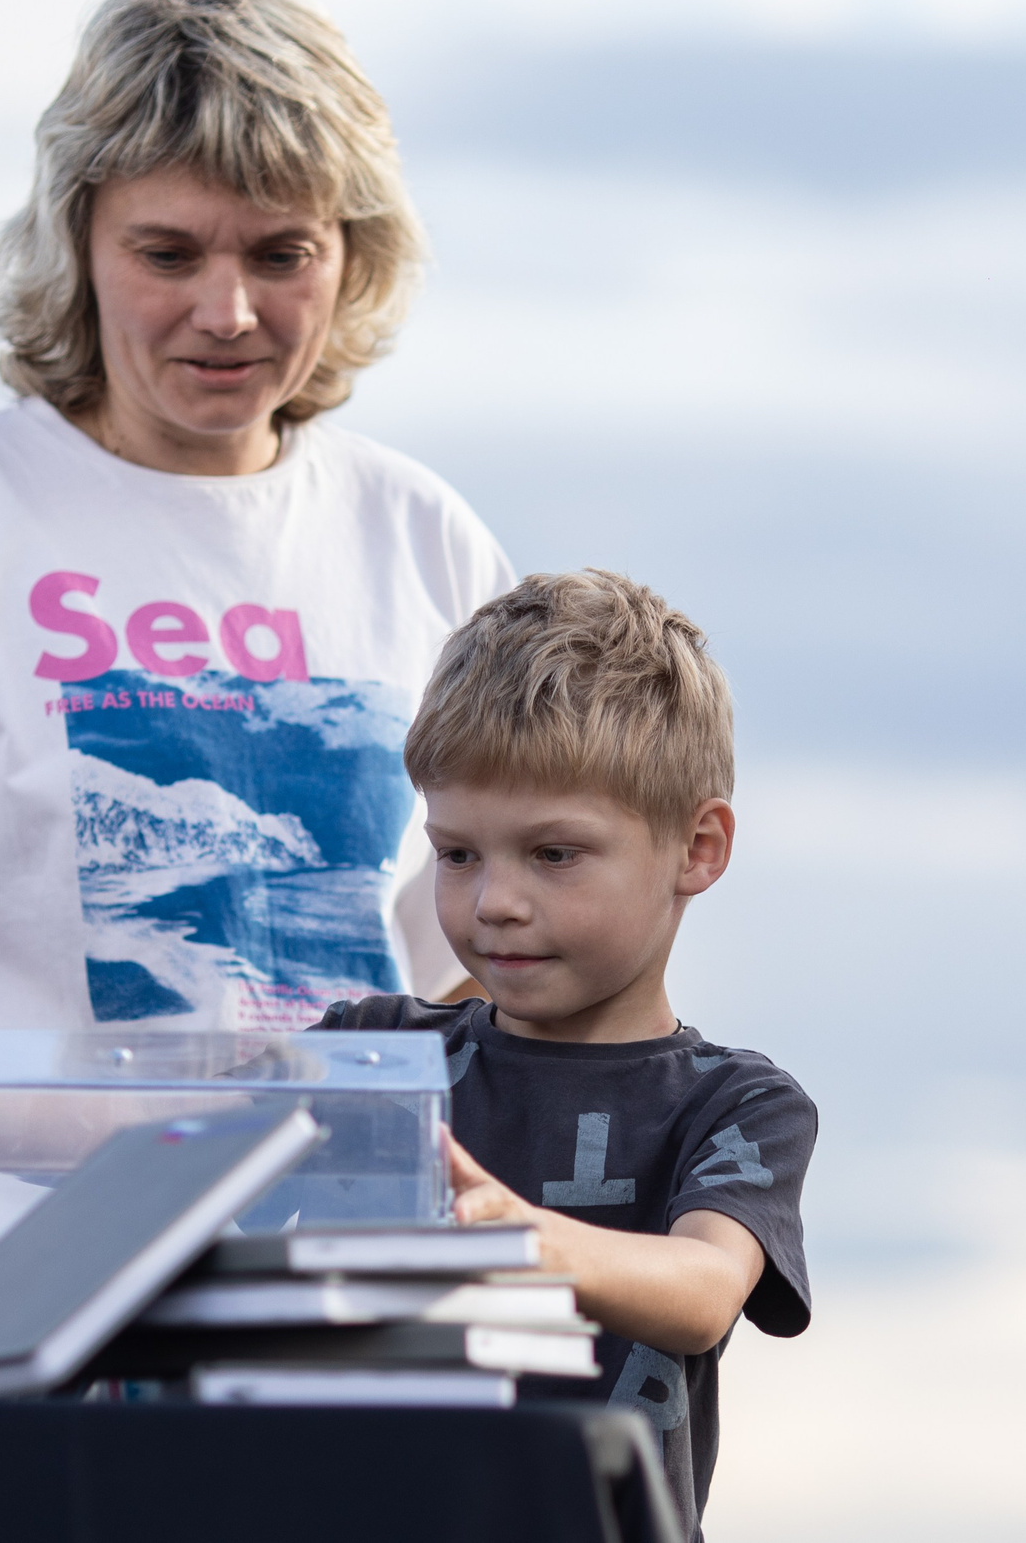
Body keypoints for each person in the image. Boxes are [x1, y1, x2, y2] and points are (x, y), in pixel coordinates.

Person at [0, 0, 514, 1316]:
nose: (227, 312)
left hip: (349, 1310)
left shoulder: (428, 545)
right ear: (80, 241)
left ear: (352, 252)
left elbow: (497, 982)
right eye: (170, 252)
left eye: (281, 252)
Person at [312, 570, 816, 1534]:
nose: (493, 899)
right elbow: (167, 1132)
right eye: (457, 853)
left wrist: (524, 1235)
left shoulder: (738, 1104)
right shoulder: (376, 1056)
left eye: (552, 853)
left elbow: (704, 1289)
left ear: (697, 848)